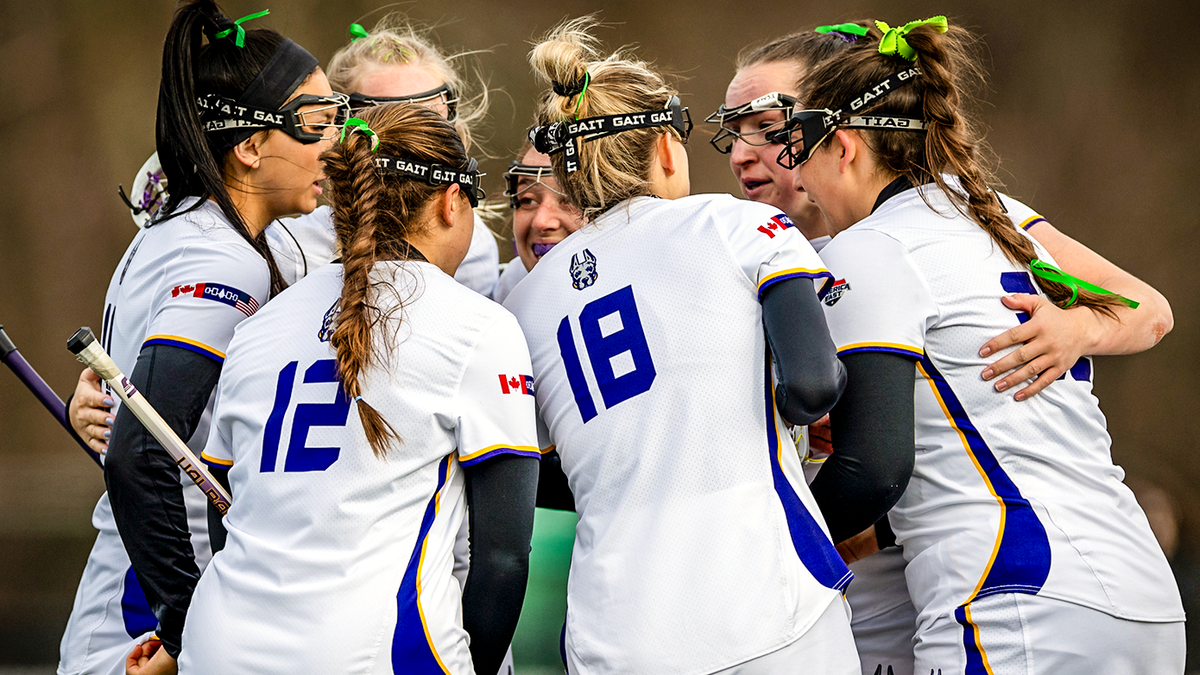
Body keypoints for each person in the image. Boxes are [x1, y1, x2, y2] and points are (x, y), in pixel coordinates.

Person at [780, 16, 1184, 673]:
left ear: (846, 145)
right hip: (1139, 590)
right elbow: (1147, 311)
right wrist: (1084, 323)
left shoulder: (873, 246)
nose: (794, 169)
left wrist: (755, 544)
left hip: (1015, 592)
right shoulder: (989, 212)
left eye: (799, 144)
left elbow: (872, 469)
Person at [504, 18, 891, 674]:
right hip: (763, 604)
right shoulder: (734, 223)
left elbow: (530, 471)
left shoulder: (526, 300)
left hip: (613, 632)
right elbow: (812, 385)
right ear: (664, 147)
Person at [177, 103, 538, 675]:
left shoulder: (258, 326)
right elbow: (502, 556)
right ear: (452, 202)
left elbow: (225, 513)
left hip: (218, 645)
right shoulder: (479, 328)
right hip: (369, 652)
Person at [58, 4, 347, 675]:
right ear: (247, 145)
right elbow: (140, 453)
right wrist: (190, 631)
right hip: (146, 621)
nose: (332, 142)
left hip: (138, 590)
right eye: (312, 123)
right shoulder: (225, 261)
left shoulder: (192, 230)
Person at [324, 14, 500, 297]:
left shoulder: (472, 246)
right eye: (383, 116)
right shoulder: (295, 245)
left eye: (429, 117)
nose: (409, 138)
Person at [492, 142, 584, 304]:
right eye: (528, 200)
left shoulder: (639, 272)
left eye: (571, 199)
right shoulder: (512, 286)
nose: (541, 222)